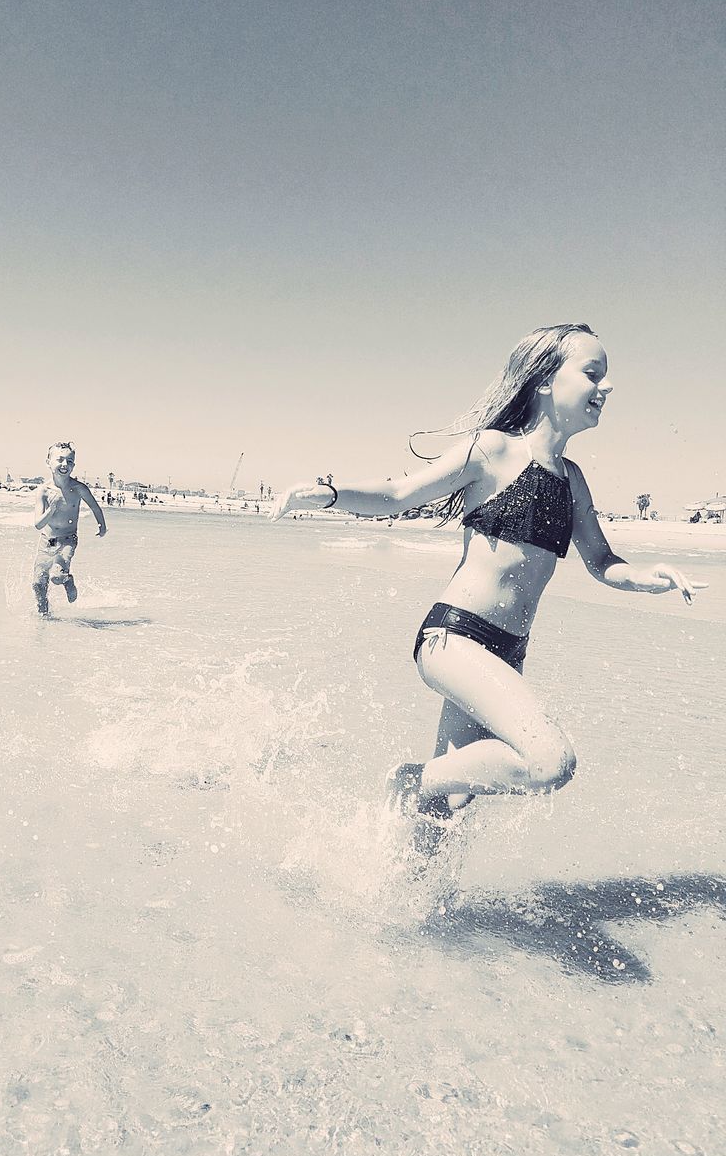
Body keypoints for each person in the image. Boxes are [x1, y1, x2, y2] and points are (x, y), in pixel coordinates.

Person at [269, 324, 707, 835]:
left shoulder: (573, 479)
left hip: (506, 654)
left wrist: (649, 578)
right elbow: (398, 494)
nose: (605, 388)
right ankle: (411, 778)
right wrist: (328, 493)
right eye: (593, 374)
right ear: (544, 379)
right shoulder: (492, 451)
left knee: (448, 814)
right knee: (550, 762)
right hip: (454, 638)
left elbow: (602, 560)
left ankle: (409, 906)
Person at [32, 441, 107, 616]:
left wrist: (102, 525)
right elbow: (38, 524)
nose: (65, 464)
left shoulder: (78, 488)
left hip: (67, 540)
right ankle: (44, 617)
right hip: (46, 541)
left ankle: (67, 580)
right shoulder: (43, 491)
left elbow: (95, 507)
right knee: (38, 583)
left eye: (70, 461)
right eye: (60, 460)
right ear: (48, 462)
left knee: (56, 576)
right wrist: (51, 510)